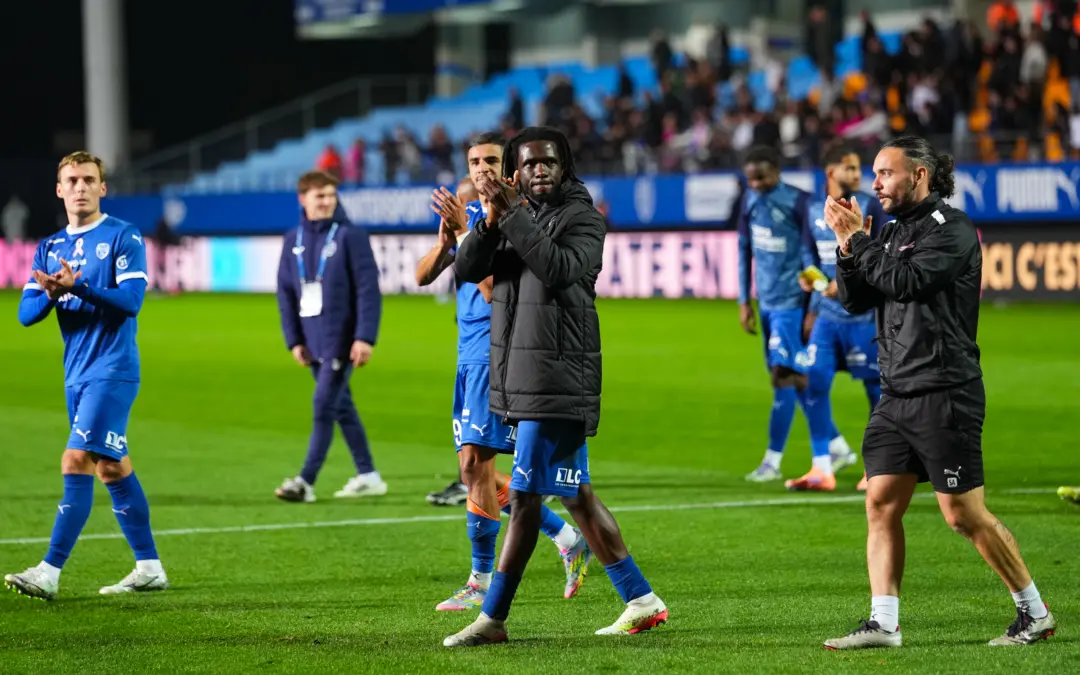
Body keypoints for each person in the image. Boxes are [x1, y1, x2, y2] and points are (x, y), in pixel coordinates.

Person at [823, 136, 1056, 649]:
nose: (875, 182)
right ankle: (884, 623)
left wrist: (858, 241)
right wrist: (848, 246)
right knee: (880, 503)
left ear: (920, 175)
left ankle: (1034, 613)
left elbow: (908, 282)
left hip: (944, 389)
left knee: (963, 515)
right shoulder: (887, 232)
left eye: (885, 173)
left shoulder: (951, 230)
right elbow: (857, 299)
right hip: (896, 392)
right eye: (876, 173)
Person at [444, 127, 667, 647]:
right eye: (528, 163)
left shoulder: (584, 219)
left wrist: (513, 215)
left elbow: (559, 268)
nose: (538, 170)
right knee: (577, 497)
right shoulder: (510, 215)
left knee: (523, 502)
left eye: (548, 162)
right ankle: (642, 600)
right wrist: (487, 221)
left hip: (558, 377)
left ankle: (492, 618)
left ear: (564, 167)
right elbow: (469, 269)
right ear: (514, 172)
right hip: (524, 377)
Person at [417, 154, 592, 611]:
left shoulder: (506, 227)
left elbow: (495, 289)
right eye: (474, 162)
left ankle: (480, 581)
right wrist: (446, 240)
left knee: (483, 465)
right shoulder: (468, 221)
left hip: (494, 358)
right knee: (475, 471)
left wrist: (462, 234)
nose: (480, 170)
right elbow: (421, 277)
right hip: (467, 358)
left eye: (490, 160)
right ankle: (566, 535)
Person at [5, 151, 166, 600]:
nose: (80, 187)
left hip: (112, 370)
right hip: (75, 374)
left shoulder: (122, 236)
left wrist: (80, 287)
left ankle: (49, 571)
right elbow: (25, 313)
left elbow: (131, 301)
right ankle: (149, 566)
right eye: (71, 180)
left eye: (88, 179)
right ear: (59, 190)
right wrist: (55, 294)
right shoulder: (49, 246)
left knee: (75, 459)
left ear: (102, 188)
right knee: (112, 467)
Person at [737, 146, 849, 483]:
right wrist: (745, 301)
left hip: (792, 304)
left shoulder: (801, 203)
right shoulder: (749, 201)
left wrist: (813, 307)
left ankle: (773, 461)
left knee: (783, 379)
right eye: (750, 179)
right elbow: (744, 251)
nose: (755, 184)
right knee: (793, 378)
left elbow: (812, 256)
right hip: (767, 303)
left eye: (761, 177)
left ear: (776, 171)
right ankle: (837, 445)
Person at [274, 171, 385, 502]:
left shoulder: (351, 236)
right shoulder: (292, 239)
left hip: (342, 338)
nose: (326, 202)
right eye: (319, 196)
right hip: (312, 340)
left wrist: (364, 337)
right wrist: (294, 340)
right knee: (342, 407)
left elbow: (368, 290)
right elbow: (285, 293)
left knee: (323, 405)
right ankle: (369, 474)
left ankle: (305, 481)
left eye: (331, 196)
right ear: (302, 199)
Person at [787, 144, 887, 492]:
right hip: (828, 318)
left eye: (859, 168)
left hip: (863, 317)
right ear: (831, 172)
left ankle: (876, 469)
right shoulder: (813, 207)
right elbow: (805, 253)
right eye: (850, 168)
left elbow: (882, 254)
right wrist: (816, 287)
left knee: (876, 392)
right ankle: (821, 468)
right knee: (813, 381)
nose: (858, 174)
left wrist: (847, 285)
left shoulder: (871, 205)